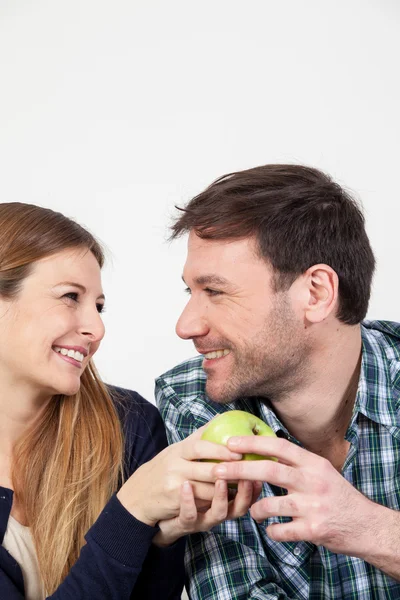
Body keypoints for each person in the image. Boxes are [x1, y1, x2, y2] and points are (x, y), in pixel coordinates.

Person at [155, 164, 400, 599]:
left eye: (215, 291)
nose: (186, 325)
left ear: (316, 294)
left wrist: (367, 526)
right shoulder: (195, 401)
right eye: (189, 292)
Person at [0, 202, 254, 600]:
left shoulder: (130, 425)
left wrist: (160, 539)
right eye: (70, 297)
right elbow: (127, 523)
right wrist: (132, 512)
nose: (96, 328)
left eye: (99, 307)